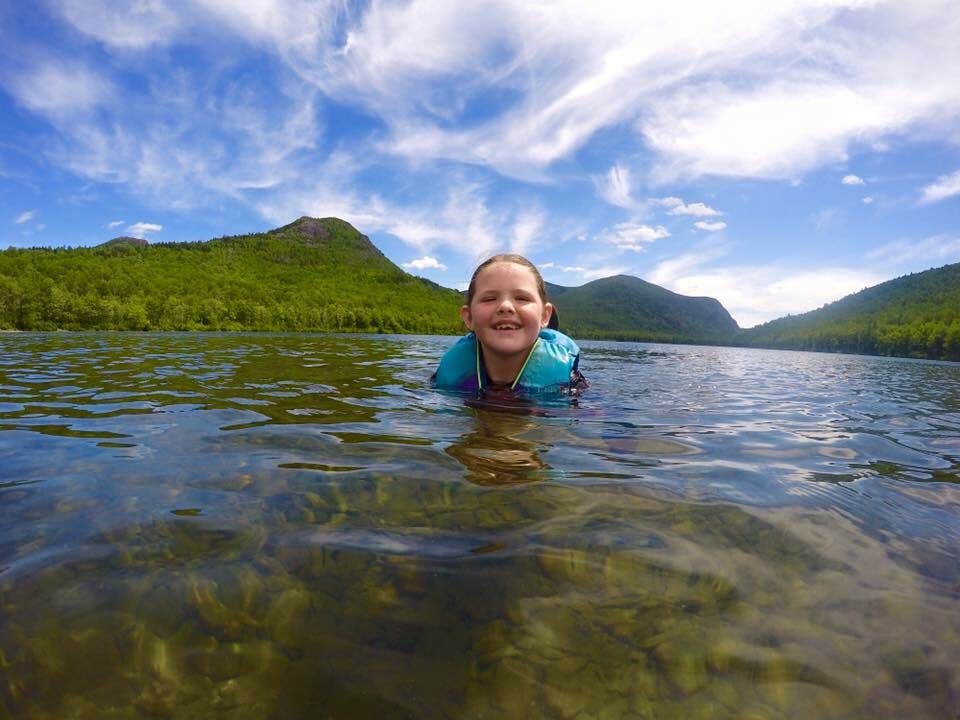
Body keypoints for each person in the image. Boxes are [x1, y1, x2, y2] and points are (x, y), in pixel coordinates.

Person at [433, 254, 587, 398]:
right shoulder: (447, 377)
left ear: (545, 315)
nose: (505, 306)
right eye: (489, 299)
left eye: (522, 298)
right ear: (469, 317)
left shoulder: (572, 385)